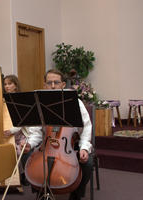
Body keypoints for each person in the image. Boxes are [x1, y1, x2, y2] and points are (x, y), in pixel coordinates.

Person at [22, 69, 92, 200]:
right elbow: (36, 132)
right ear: (44, 85)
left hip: (71, 146)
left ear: (63, 85)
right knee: (27, 156)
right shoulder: (40, 104)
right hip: (46, 145)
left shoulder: (75, 102)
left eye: (56, 82)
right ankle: (41, 190)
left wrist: (84, 148)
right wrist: (29, 143)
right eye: (49, 82)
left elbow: (86, 128)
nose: (53, 86)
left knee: (87, 163)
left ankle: (75, 195)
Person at [2, 75, 42, 186]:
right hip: (14, 131)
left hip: (21, 132)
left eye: (10, 84)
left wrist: (10, 131)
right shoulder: (4, 100)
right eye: (5, 84)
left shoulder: (20, 99)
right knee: (5, 148)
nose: (7, 86)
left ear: (15, 85)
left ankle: (24, 173)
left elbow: (21, 121)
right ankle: (8, 174)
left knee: (18, 149)